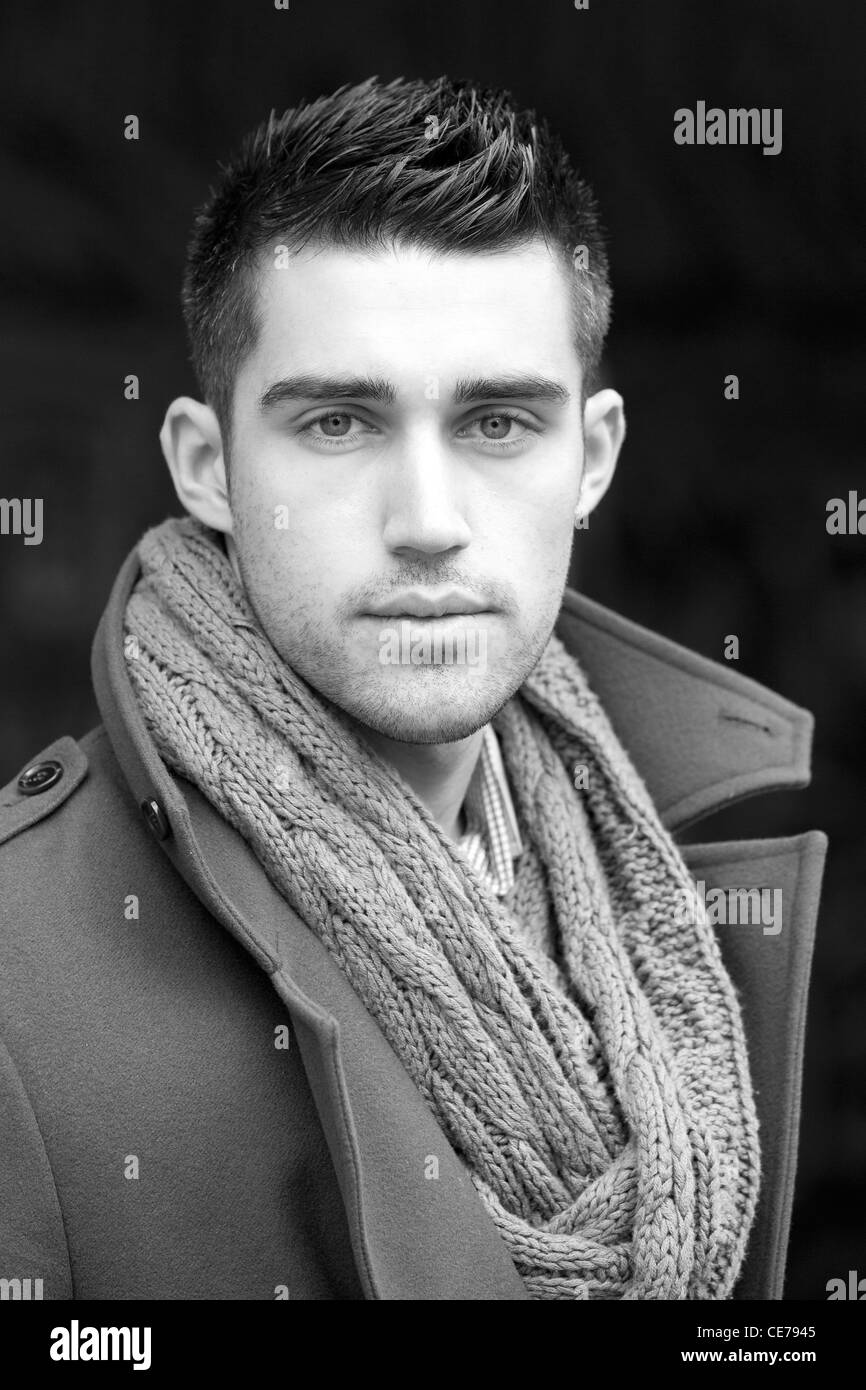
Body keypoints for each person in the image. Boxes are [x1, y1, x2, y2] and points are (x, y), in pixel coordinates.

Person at [0, 75, 826, 1301]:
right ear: (209, 467)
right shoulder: (19, 975)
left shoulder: (668, 884)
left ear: (589, 459)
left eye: (497, 422)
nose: (428, 523)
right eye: (338, 423)